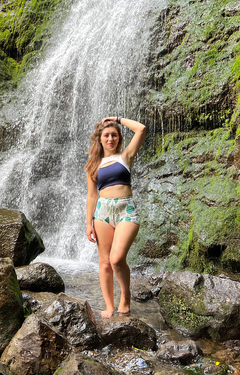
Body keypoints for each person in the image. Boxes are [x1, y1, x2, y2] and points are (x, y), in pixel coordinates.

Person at [84, 116, 146, 318]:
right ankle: (109, 306)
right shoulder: (93, 165)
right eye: (106, 135)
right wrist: (88, 223)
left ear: (119, 139)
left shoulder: (126, 156)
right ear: (100, 139)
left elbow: (141, 129)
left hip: (125, 210)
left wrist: (118, 119)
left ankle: (125, 295)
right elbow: (92, 195)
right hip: (102, 213)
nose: (110, 138)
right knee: (104, 262)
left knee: (117, 258)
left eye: (114, 135)